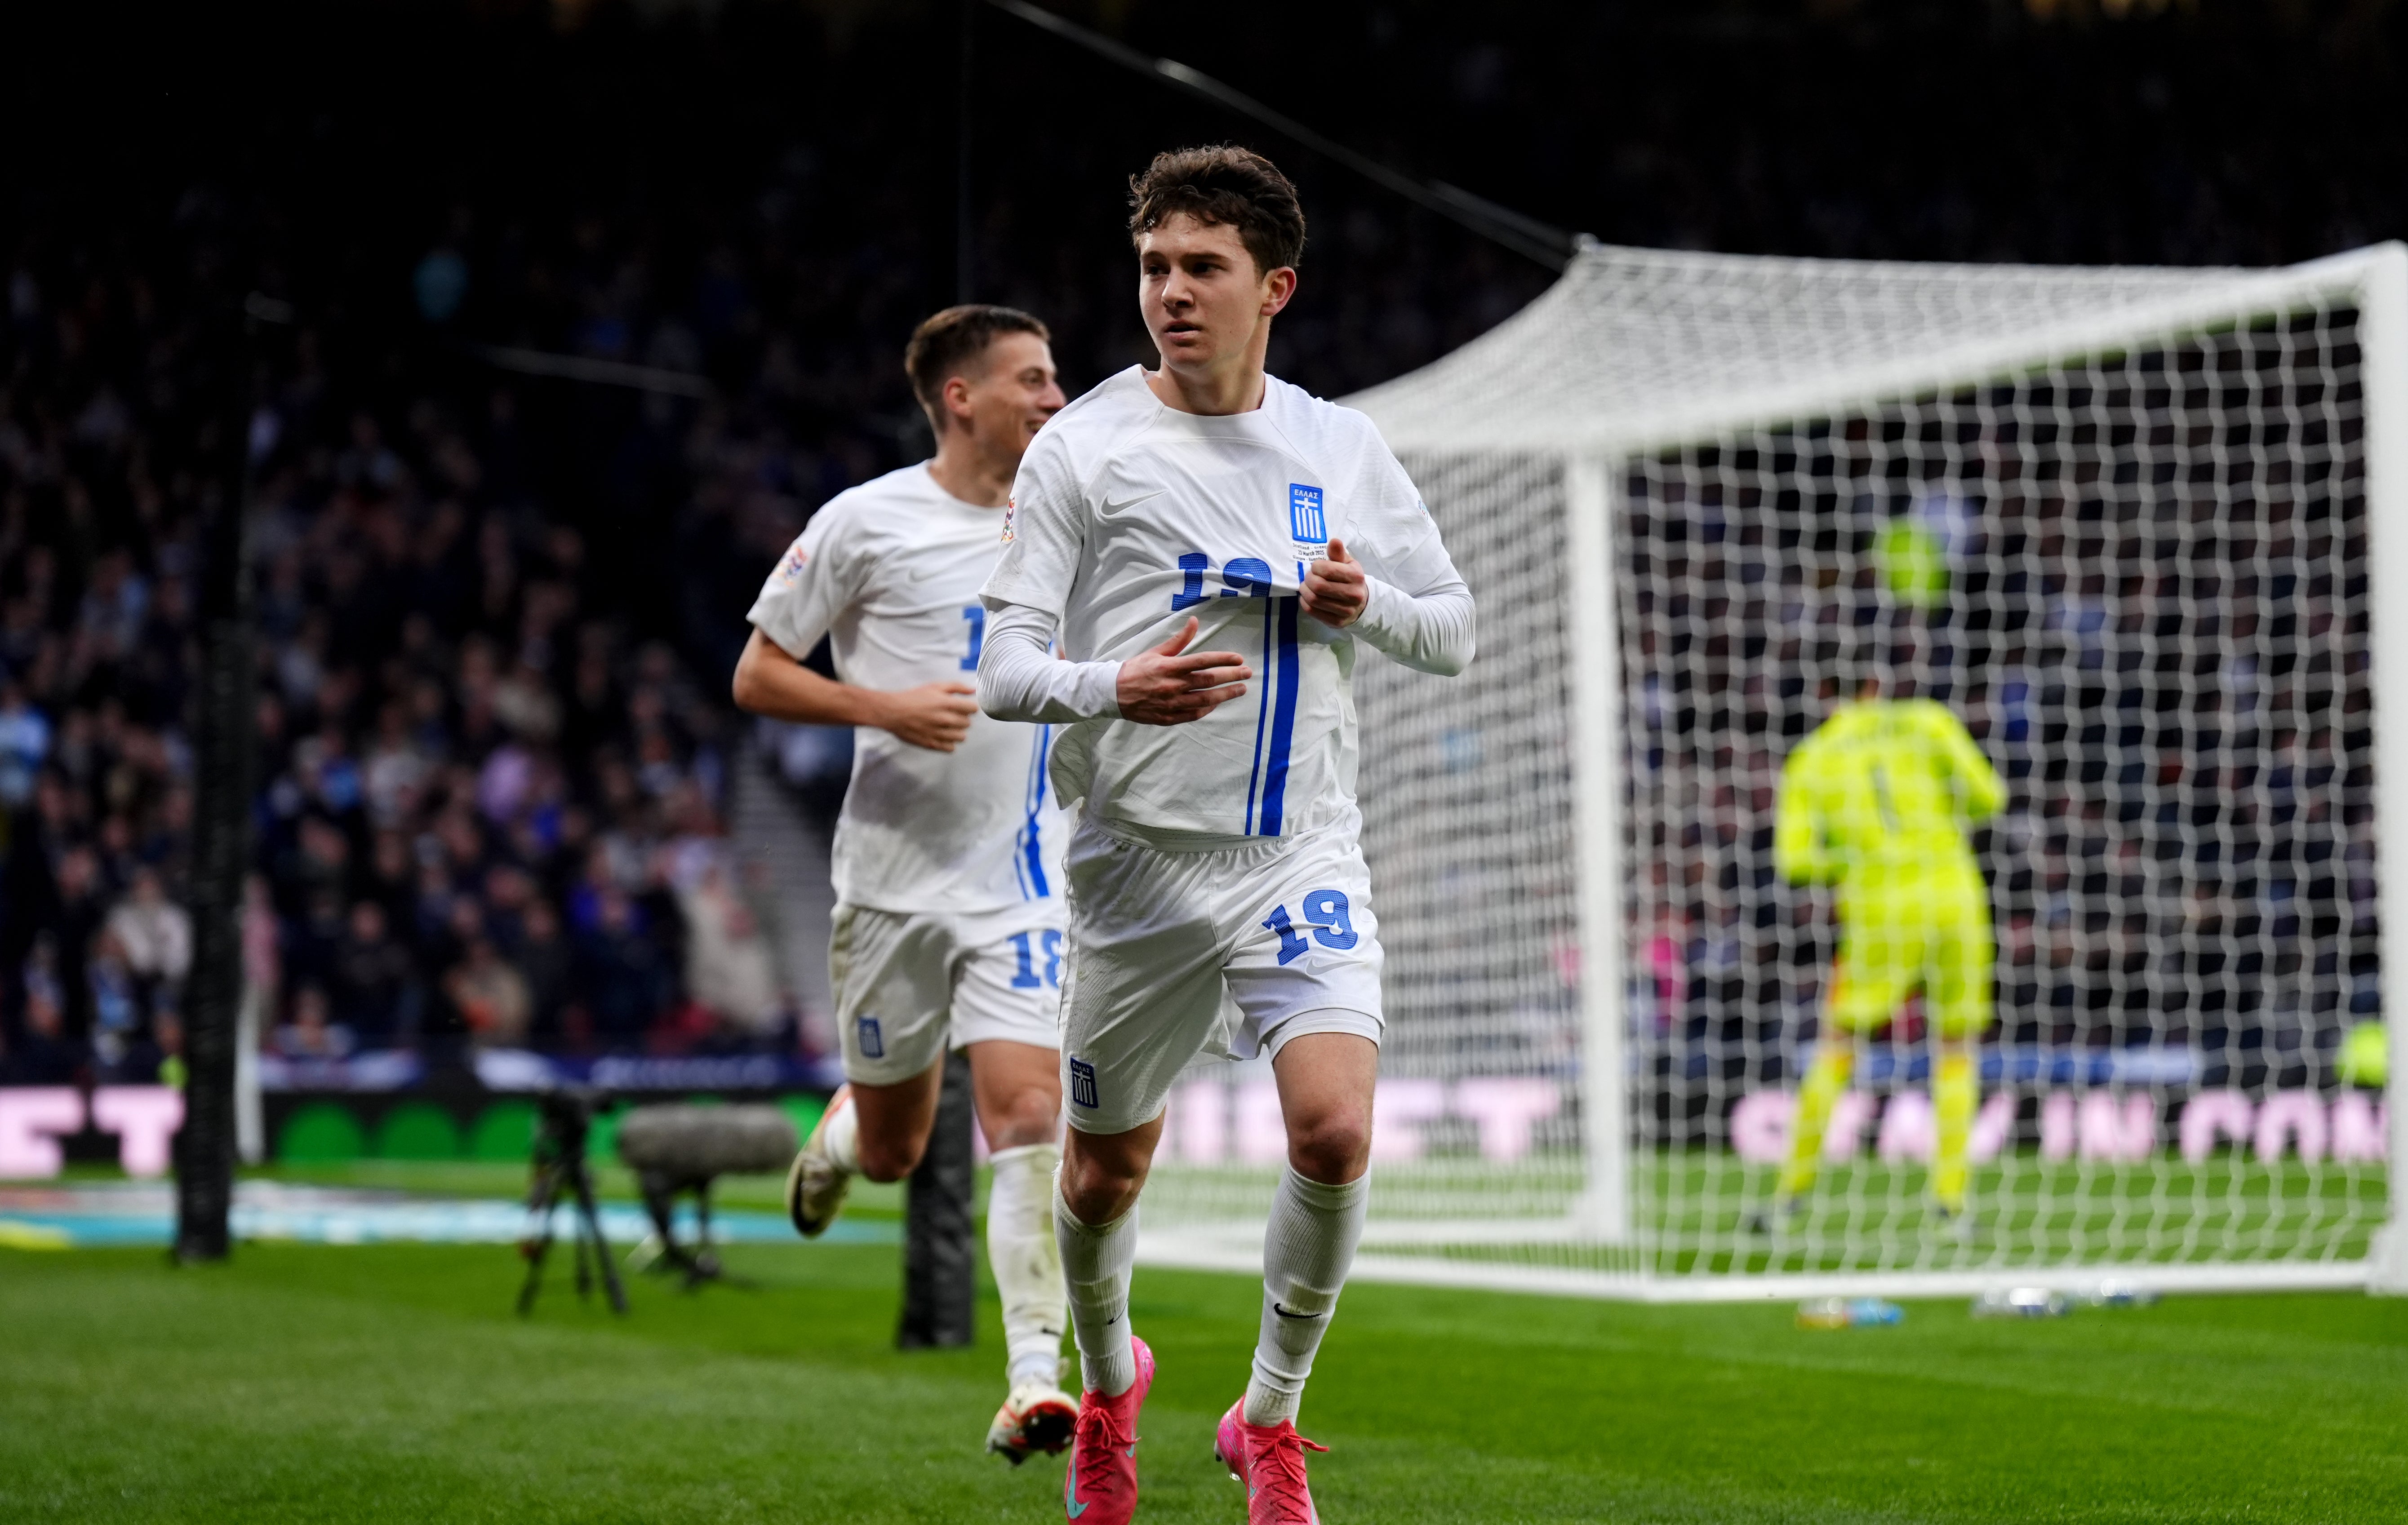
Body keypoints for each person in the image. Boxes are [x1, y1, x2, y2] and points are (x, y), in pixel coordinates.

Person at [976, 147, 1474, 1525]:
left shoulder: (1339, 444)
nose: (1171, 293)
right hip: (1134, 862)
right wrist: (1111, 684)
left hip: (1296, 851)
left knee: (1330, 1133)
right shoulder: (1081, 447)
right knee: (1101, 1172)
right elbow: (1006, 664)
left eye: (1203, 268)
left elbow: (1454, 628)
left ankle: (1267, 1418)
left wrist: (1361, 601)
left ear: (1275, 288)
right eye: (1153, 267)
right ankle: (1108, 1380)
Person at [732, 303, 1079, 1463]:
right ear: (960, 396)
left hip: (1022, 877)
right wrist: (880, 706)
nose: (1052, 397)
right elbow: (756, 673)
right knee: (893, 1152)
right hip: (887, 888)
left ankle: (1034, 1376)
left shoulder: (1064, 519)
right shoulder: (865, 521)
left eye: (1054, 377)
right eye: (1030, 379)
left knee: (1030, 1110)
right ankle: (836, 1142)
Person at [1762, 659, 2004, 1230]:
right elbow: (1989, 797)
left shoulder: (1812, 758)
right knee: (1956, 1048)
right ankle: (1950, 1202)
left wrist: (1851, 859)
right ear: (1877, 684)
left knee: (1838, 1043)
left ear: (1824, 693)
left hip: (1879, 909)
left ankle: (1790, 1194)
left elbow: (1794, 861)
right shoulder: (1927, 720)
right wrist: (1939, 827)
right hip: (1954, 897)